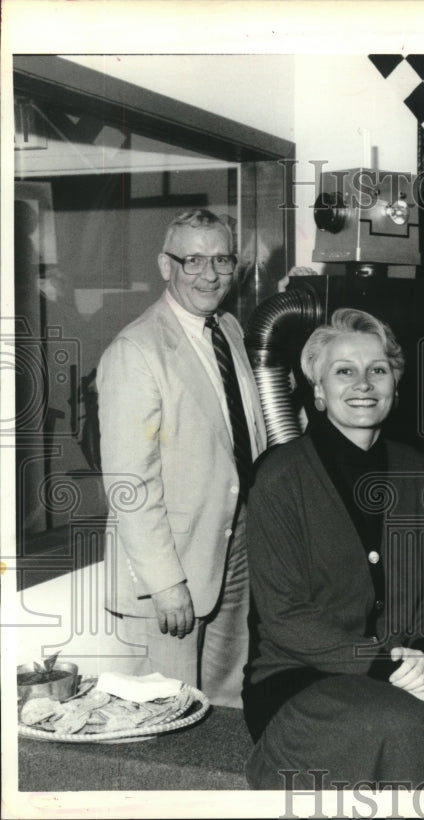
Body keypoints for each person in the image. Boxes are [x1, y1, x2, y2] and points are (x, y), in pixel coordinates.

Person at [242, 308, 424, 789]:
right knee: (407, 727)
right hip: (300, 678)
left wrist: (423, 654)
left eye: (377, 370)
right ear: (317, 390)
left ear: (394, 383)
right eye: (343, 371)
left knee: (420, 724)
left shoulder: (419, 471)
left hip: (399, 672)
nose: (363, 383)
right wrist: (385, 665)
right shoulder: (280, 477)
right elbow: (286, 617)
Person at [98, 208, 267, 707]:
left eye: (221, 259)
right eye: (192, 260)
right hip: (171, 571)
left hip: (232, 549)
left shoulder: (228, 329)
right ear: (164, 265)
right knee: (167, 713)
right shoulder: (136, 350)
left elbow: (237, 432)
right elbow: (131, 483)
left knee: (226, 701)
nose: (209, 274)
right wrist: (166, 584)